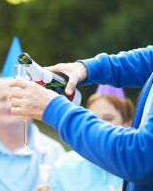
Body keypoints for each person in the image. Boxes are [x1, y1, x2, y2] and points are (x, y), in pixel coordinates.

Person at [10, 44, 153, 191]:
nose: (101, 122)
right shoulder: (66, 166)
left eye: (108, 118)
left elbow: (141, 156)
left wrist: (54, 108)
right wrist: (87, 68)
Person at [47, 85, 135, 191]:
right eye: (92, 119)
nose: (99, 125)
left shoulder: (139, 168)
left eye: (108, 118)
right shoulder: (64, 165)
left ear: (128, 124)